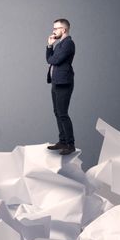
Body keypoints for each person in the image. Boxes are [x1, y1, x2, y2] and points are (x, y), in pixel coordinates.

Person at [46, 18, 76, 155]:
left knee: (63, 113)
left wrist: (52, 55)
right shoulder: (59, 45)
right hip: (56, 82)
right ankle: (62, 141)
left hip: (64, 83)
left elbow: (55, 60)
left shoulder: (68, 44)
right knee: (57, 112)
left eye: (56, 28)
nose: (53, 31)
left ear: (63, 30)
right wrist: (50, 46)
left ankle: (70, 145)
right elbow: (49, 59)